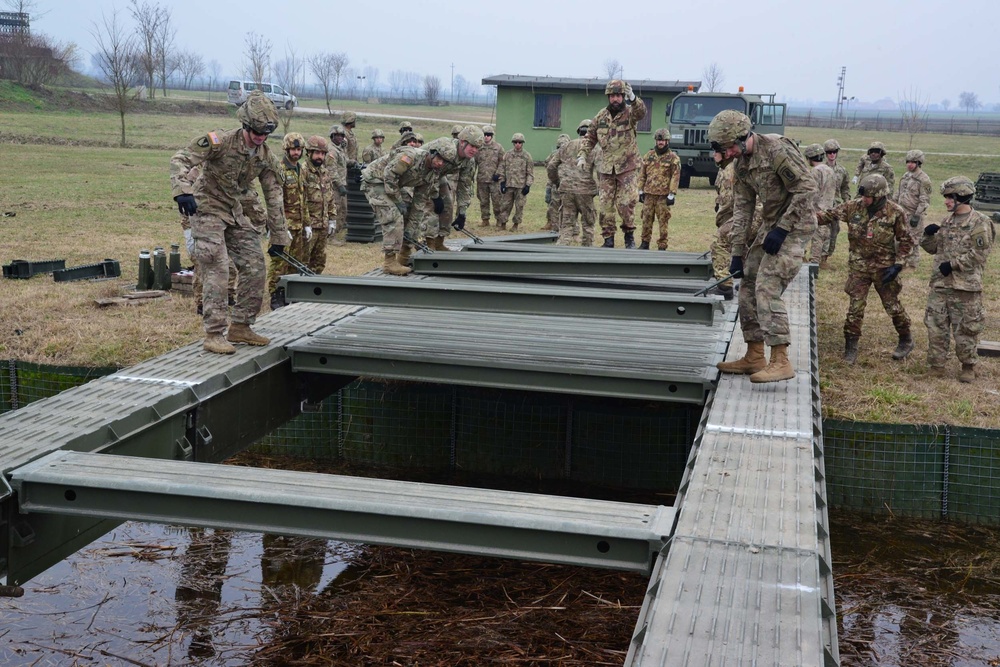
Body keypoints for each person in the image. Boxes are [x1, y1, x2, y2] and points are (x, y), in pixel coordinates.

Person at [169, 89, 291, 354]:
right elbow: (181, 158)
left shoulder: (265, 156)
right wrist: (182, 191)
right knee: (217, 266)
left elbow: (274, 195)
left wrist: (280, 237)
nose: (260, 138)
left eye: (265, 134)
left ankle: (241, 326)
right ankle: (214, 333)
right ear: (245, 125)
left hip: (235, 212)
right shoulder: (219, 141)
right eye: (256, 132)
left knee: (255, 265)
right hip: (207, 208)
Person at [710, 109, 817, 383]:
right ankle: (754, 354)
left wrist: (783, 228)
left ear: (743, 137)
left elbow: (806, 188)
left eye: (729, 148)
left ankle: (781, 360)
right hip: (771, 225)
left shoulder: (777, 149)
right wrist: (736, 254)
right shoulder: (742, 165)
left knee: (767, 285)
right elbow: (743, 210)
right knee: (747, 283)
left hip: (796, 224)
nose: (727, 154)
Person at [817, 174, 914, 364]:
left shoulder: (895, 212)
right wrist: (804, 216)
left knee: (892, 306)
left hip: (884, 269)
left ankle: (906, 339)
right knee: (855, 307)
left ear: (879, 196)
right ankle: (851, 347)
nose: (864, 199)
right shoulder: (853, 207)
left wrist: (898, 264)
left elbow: (906, 240)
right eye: (863, 196)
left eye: (868, 196)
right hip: (859, 266)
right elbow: (827, 216)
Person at [921, 176, 995, 382]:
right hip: (940, 285)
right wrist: (927, 236)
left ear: (962, 197)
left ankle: (968, 366)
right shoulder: (948, 221)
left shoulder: (980, 222)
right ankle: (936, 366)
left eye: (949, 197)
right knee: (936, 326)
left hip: (966, 287)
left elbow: (979, 254)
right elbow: (934, 249)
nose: (945, 201)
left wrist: (953, 265)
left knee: (966, 329)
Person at [361, 137, 456, 275]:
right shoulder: (410, 157)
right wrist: (397, 200)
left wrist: (411, 230)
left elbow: (419, 204)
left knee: (410, 213)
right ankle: (389, 262)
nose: (441, 164)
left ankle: (404, 255)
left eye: (445, 162)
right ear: (432, 153)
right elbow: (389, 175)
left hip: (394, 186)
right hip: (375, 181)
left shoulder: (432, 173)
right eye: (439, 159)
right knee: (393, 216)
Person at [577, 79, 647, 248]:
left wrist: (633, 97)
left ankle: (629, 236)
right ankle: (608, 239)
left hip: (627, 167)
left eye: (619, 96)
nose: (615, 99)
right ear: (608, 97)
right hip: (607, 168)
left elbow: (642, 112)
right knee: (605, 206)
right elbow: (590, 137)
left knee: (626, 203)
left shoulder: (630, 114)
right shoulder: (601, 116)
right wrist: (582, 155)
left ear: (623, 96)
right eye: (612, 96)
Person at [266, 132, 312, 310]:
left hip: (299, 225)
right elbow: (274, 200)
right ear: (286, 149)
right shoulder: (280, 169)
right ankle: (275, 294)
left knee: (295, 260)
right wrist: (278, 227)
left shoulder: (300, 169)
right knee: (279, 263)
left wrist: (307, 224)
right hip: (284, 226)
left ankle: (289, 294)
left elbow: (303, 199)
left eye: (299, 149)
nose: (296, 153)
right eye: (293, 149)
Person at [425, 125, 483, 249]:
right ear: (462, 142)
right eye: (472, 146)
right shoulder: (448, 149)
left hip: (438, 175)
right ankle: (428, 243)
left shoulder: (469, 160)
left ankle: (439, 242)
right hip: (421, 174)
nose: (474, 150)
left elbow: (465, 185)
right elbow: (430, 173)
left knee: (448, 204)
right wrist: (435, 196)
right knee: (432, 206)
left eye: (477, 147)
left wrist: (462, 213)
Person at [547, 119, 598, 246]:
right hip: (585, 192)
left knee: (566, 226)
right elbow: (602, 171)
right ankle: (587, 254)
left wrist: (557, 182)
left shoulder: (566, 146)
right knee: (588, 225)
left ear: (578, 131)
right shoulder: (595, 149)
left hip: (567, 190)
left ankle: (560, 255)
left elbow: (551, 166)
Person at [637, 128, 680, 250]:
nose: (660, 142)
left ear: (667, 141)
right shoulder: (648, 156)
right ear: (656, 141)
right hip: (649, 194)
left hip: (663, 196)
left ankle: (662, 245)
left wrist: (672, 193)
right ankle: (644, 242)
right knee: (646, 219)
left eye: (663, 140)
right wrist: (640, 190)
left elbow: (675, 176)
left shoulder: (673, 158)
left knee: (663, 221)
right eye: (658, 140)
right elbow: (642, 174)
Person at [303, 135, 337, 274]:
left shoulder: (325, 172)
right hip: (310, 226)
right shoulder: (303, 171)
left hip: (323, 225)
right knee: (303, 261)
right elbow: (301, 201)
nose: (320, 157)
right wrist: (306, 224)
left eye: (323, 154)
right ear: (309, 153)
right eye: (317, 153)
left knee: (319, 261)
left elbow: (330, 198)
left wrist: (332, 219)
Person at [896, 149, 933, 268]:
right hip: (902, 212)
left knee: (914, 240)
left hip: (913, 214)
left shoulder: (924, 179)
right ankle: (900, 261)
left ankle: (912, 264)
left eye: (913, 162)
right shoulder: (906, 176)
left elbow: (925, 200)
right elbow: (899, 192)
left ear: (919, 163)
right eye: (908, 162)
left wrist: (917, 215)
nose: (909, 164)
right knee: (900, 237)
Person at [802, 143, 837, 266]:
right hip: (828, 210)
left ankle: (813, 264)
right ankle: (820, 261)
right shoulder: (830, 170)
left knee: (814, 237)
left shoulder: (815, 172)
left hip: (816, 210)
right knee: (823, 237)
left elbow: (811, 192)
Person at [822, 138, 851, 266]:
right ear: (825, 153)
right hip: (823, 205)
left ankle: (828, 253)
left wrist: (848, 203)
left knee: (835, 230)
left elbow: (845, 188)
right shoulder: (820, 169)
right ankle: (821, 256)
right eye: (829, 152)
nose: (832, 154)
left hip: (837, 205)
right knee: (823, 231)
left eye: (834, 152)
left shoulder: (842, 171)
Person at [496, 132, 533, 230]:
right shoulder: (507, 154)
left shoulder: (527, 156)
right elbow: (502, 169)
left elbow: (530, 173)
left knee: (519, 206)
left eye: (520, 142)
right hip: (509, 185)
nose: (518, 144)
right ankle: (503, 224)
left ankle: (516, 224)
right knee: (505, 205)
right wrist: (502, 183)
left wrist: (528, 185)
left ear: (522, 143)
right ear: (513, 143)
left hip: (521, 186)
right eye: (516, 142)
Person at [474, 124, 504, 227]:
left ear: (492, 136)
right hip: (482, 179)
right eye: (484, 135)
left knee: (497, 201)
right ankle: (485, 219)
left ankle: (499, 220)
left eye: (488, 135)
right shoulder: (478, 148)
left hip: (494, 180)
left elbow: (502, 162)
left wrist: (498, 173)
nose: (486, 137)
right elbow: (474, 163)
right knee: (483, 201)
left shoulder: (498, 147)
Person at [326, 124, 350, 243]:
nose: (340, 138)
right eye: (337, 136)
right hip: (334, 186)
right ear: (332, 136)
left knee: (343, 210)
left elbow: (343, 162)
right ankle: (330, 237)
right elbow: (331, 170)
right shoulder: (331, 150)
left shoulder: (339, 148)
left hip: (341, 184)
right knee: (334, 211)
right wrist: (340, 185)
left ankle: (335, 233)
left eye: (342, 135)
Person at [543, 134, 570, 232]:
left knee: (555, 206)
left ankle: (555, 228)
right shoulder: (569, 154)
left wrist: (553, 179)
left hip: (557, 183)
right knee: (559, 206)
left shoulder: (554, 154)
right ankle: (558, 227)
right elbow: (548, 164)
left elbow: (548, 165)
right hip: (562, 183)